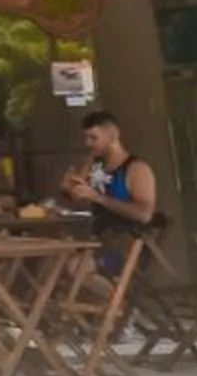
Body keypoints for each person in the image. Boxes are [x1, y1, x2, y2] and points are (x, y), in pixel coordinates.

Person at [60, 110, 162, 278]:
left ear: (113, 136)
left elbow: (144, 214)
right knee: (56, 264)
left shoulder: (136, 169)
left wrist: (99, 198)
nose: (88, 143)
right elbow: (79, 196)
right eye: (86, 138)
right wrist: (68, 189)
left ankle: (119, 304)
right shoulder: (95, 165)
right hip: (98, 241)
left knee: (75, 267)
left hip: (127, 247)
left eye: (94, 138)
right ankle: (113, 303)